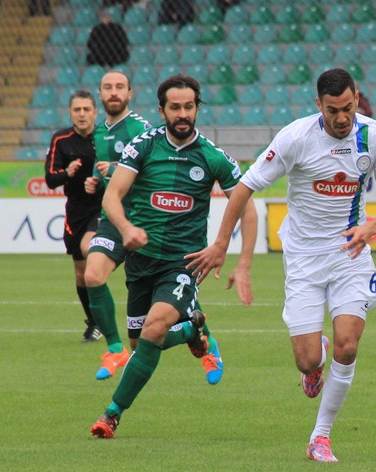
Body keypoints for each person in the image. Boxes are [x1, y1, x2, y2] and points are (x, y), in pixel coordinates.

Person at [187, 68, 376, 463]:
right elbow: (245, 187)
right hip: (303, 258)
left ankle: (320, 437)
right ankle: (314, 359)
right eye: (333, 110)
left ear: (357, 98)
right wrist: (221, 244)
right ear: (318, 105)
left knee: (348, 345)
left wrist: (370, 228)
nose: (342, 118)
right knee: (307, 360)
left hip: (350, 254)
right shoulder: (295, 138)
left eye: (348, 108)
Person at [90, 74, 257, 438]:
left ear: (197, 108)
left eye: (189, 107)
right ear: (162, 110)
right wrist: (126, 229)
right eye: (175, 107)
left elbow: (247, 208)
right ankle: (193, 329)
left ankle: (111, 414)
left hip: (183, 263)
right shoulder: (143, 145)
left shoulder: (212, 156)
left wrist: (239, 260)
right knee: (141, 344)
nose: (183, 114)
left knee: (153, 329)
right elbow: (112, 195)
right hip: (141, 260)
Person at [84, 70, 228, 384]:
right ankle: (115, 349)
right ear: (100, 93)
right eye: (107, 87)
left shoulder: (143, 130)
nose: (113, 92)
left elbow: (154, 168)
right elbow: (111, 180)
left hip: (146, 221)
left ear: (130, 93)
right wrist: (97, 178)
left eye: (119, 86)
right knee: (92, 274)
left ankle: (202, 337)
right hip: (118, 218)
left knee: (172, 284)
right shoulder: (99, 132)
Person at [45, 90, 103, 343]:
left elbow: (122, 171)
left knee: (89, 249)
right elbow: (50, 179)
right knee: (81, 274)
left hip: (103, 207)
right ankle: (95, 322)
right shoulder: (61, 140)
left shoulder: (104, 137)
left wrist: (100, 180)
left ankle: (105, 317)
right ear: (70, 113)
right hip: (76, 211)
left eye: (86, 109)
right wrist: (67, 173)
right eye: (77, 110)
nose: (82, 114)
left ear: (95, 112)